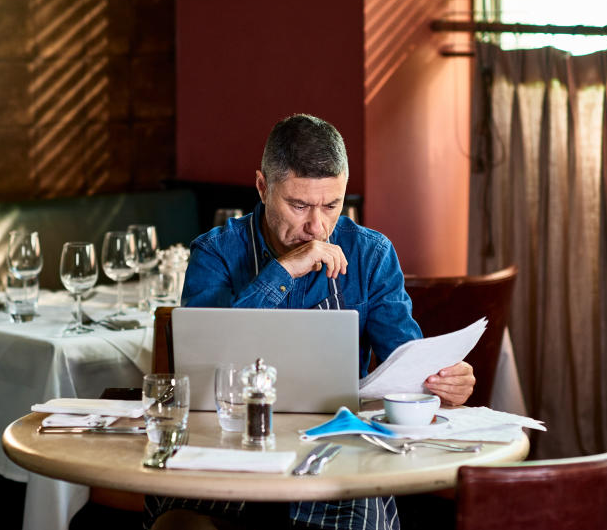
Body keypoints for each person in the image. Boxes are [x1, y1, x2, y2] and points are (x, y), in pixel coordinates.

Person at [147, 114, 474, 530]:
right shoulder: (215, 252)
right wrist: (282, 272)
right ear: (263, 187)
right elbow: (209, 367)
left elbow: (406, 367)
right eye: (298, 205)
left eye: (332, 205)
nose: (316, 227)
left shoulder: (371, 254)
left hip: (338, 453)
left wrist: (440, 382)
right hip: (224, 448)